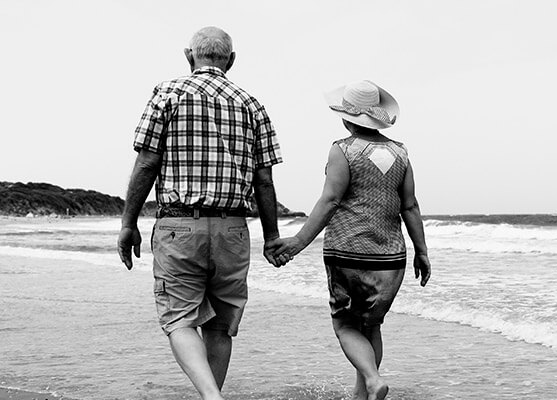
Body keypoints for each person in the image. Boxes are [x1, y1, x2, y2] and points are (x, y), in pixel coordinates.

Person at [117, 26, 283, 400]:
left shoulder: (168, 93)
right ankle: (212, 395)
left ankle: (211, 396)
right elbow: (264, 180)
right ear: (232, 60)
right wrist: (271, 236)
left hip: (180, 224)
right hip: (233, 231)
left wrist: (129, 223)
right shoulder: (251, 104)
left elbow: (147, 162)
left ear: (189, 56)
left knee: (179, 319)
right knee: (220, 328)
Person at [266, 80, 431, 400]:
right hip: (391, 257)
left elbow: (330, 201)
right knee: (371, 327)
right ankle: (363, 394)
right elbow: (410, 205)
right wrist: (421, 251)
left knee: (345, 325)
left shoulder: (342, 149)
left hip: (348, 252)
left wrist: (298, 243)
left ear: (346, 118)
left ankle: (371, 379)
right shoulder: (401, 153)